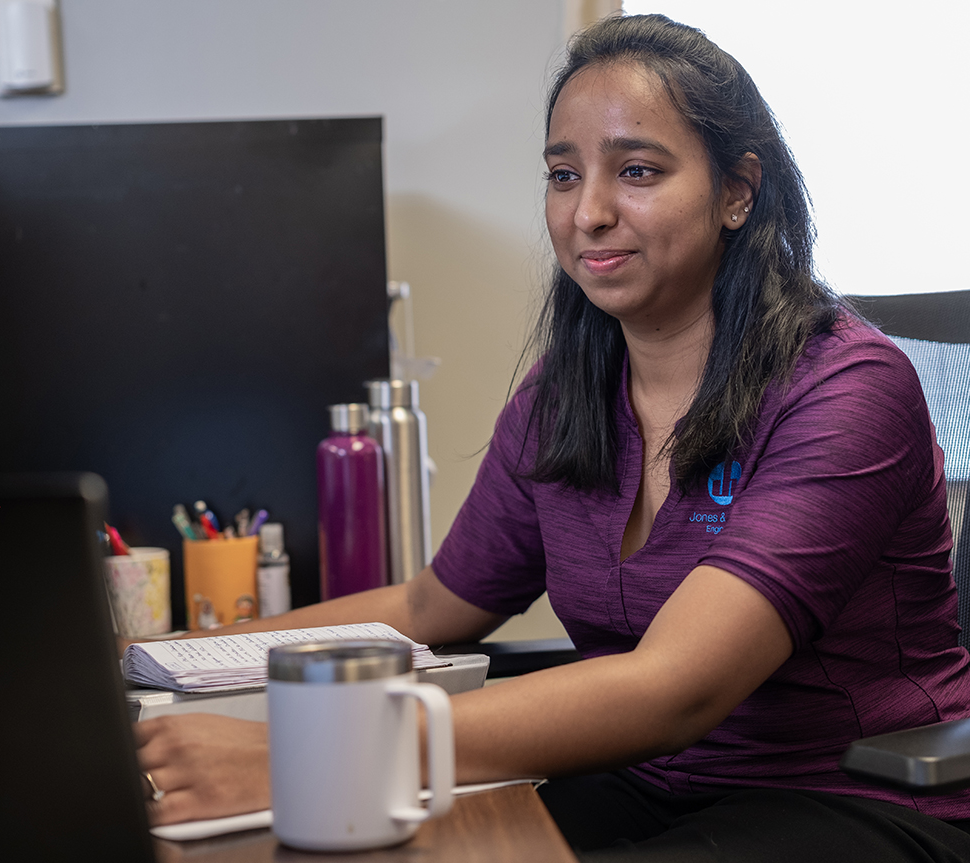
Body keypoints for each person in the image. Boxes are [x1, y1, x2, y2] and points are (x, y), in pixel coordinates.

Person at [134, 14, 970, 860]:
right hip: (647, 780)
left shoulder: (845, 389)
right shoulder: (564, 396)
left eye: (637, 170)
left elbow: (676, 686)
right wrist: (146, 657)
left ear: (736, 190)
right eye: (563, 176)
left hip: (850, 799)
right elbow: (431, 607)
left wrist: (308, 755)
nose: (589, 212)